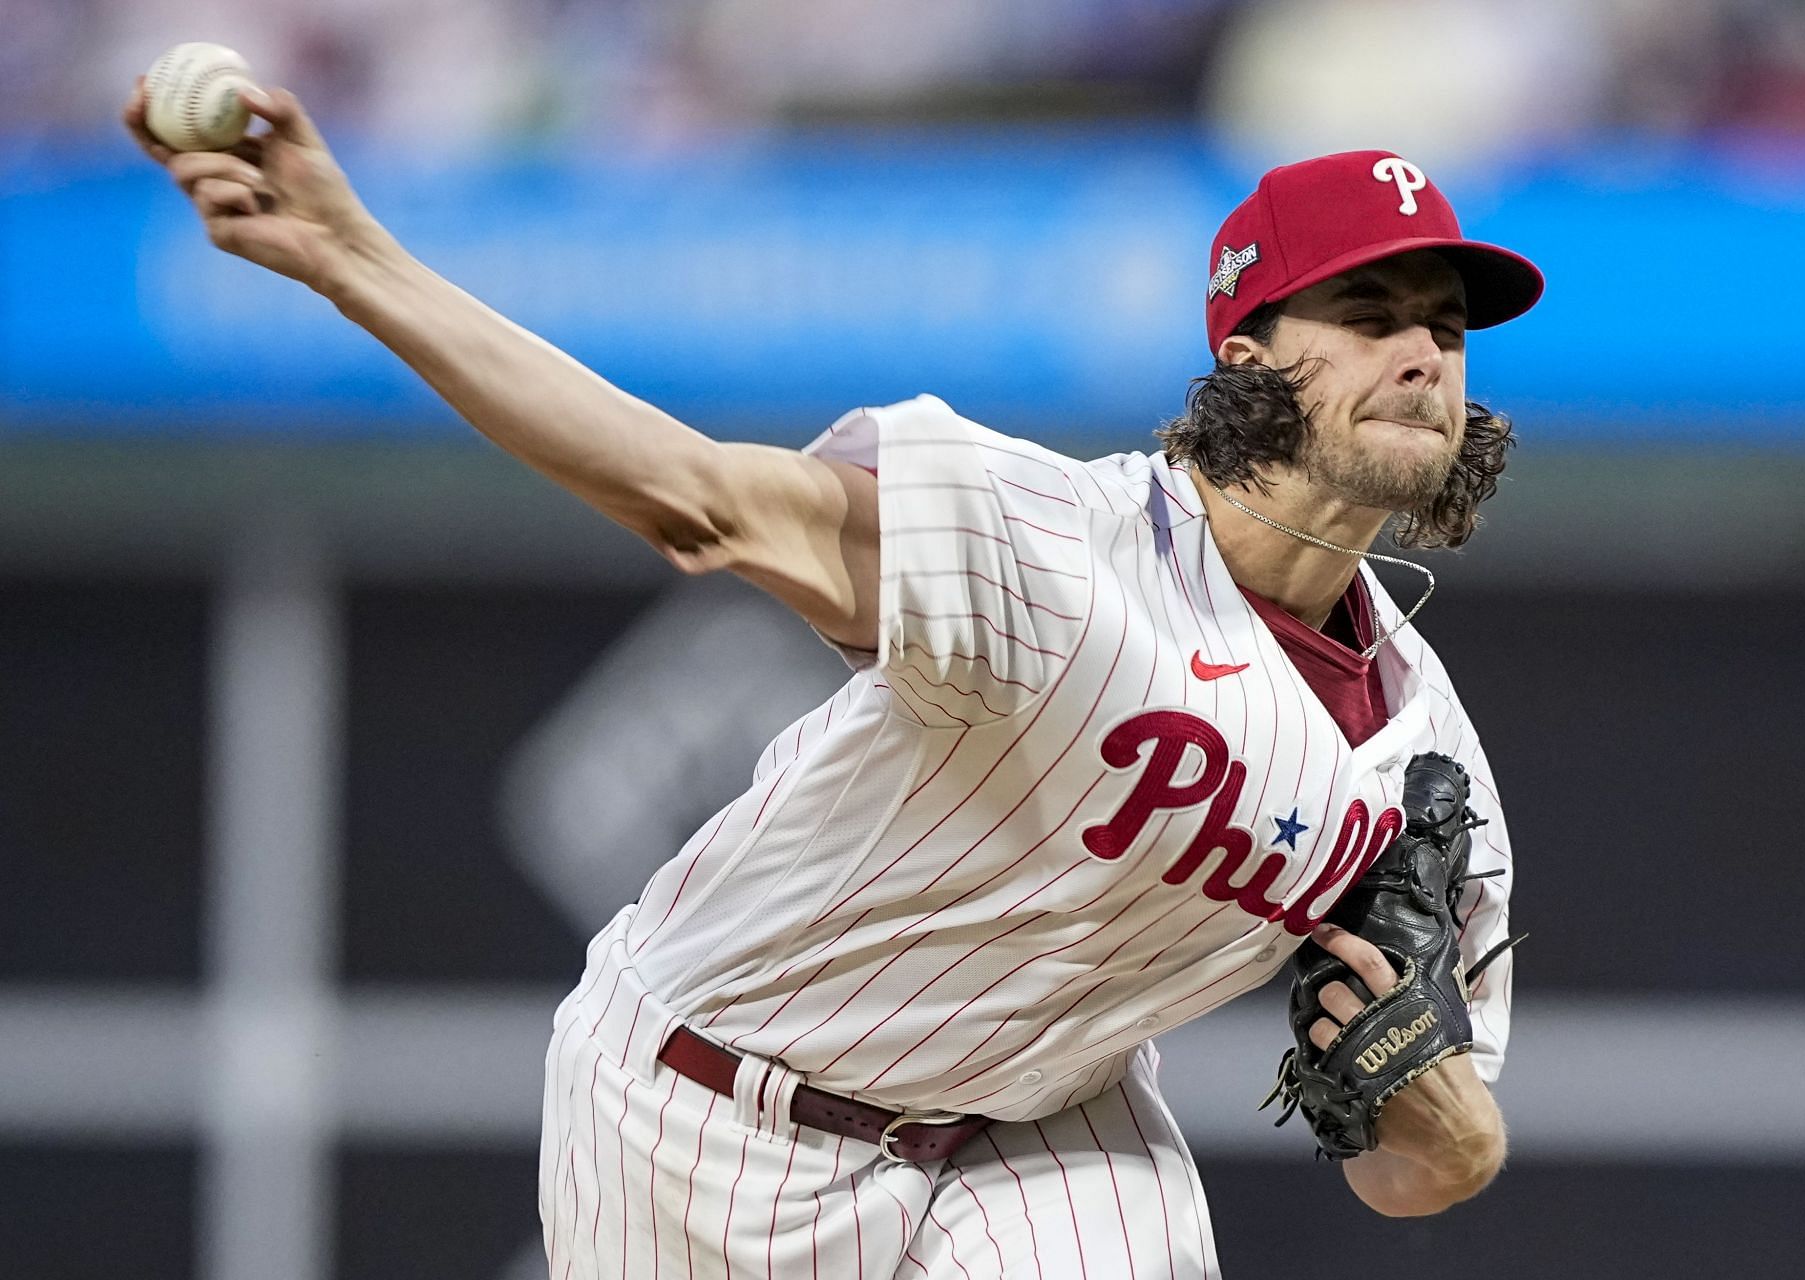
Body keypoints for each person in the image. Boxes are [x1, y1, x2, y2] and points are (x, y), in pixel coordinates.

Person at [126, 80, 1539, 1279]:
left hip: (1042, 1130)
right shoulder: (1050, 547)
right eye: (1368, 309)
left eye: (1447, 325)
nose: (1424, 352)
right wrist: (352, 258)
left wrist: (1457, 1128)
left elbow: (1412, 1176)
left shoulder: (1427, 763)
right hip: (706, 1104)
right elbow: (694, 496)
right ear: (1250, 356)